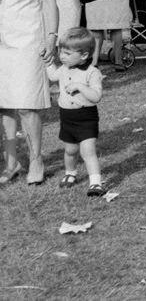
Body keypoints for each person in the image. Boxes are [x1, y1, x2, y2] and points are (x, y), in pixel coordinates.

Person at [0, 0, 59, 186]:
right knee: (3, 105)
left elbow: (49, 1)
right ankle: (11, 162)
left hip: (27, 43)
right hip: (1, 42)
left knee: (26, 106)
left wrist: (51, 37)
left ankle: (37, 160)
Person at [45, 27, 107, 195]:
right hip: (67, 117)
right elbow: (52, 76)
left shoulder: (92, 72)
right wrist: (48, 61)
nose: (62, 56)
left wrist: (80, 87)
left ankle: (95, 183)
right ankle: (70, 173)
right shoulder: (64, 69)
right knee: (70, 151)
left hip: (86, 117)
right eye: (60, 52)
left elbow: (96, 96)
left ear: (84, 55)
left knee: (88, 151)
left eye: (66, 53)